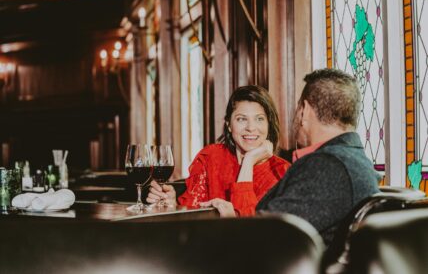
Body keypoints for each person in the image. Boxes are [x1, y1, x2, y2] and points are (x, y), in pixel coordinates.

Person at [208, 68, 381, 244]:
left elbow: (259, 240)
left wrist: (230, 220)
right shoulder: (356, 159)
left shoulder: (328, 167)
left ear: (304, 110)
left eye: (298, 106)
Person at [146, 85, 291, 216]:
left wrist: (248, 161)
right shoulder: (211, 157)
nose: (251, 127)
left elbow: (250, 229)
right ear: (229, 125)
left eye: (259, 119)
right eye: (241, 119)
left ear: (269, 124)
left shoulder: (282, 172)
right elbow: (192, 216)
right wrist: (173, 206)